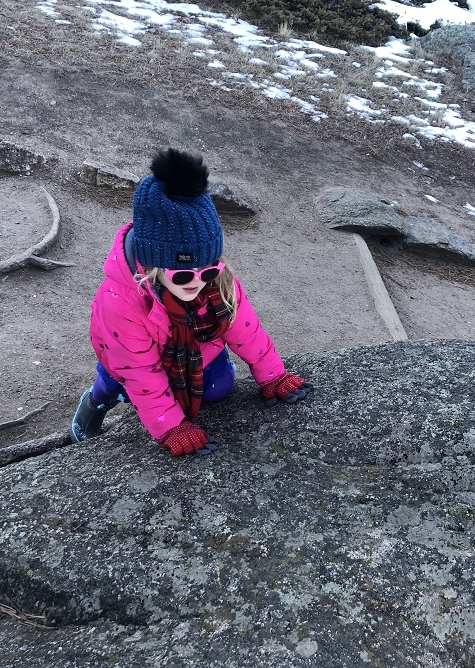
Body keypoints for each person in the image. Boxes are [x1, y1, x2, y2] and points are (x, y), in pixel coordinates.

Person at [70, 148, 312, 455]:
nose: (198, 282)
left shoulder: (218, 282)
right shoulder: (122, 302)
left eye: (208, 270)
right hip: (130, 359)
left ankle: (182, 386)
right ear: (154, 265)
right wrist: (171, 426)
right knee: (119, 385)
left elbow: (246, 329)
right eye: (184, 274)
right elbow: (140, 371)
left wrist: (273, 376)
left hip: (196, 351)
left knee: (219, 388)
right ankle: (94, 402)